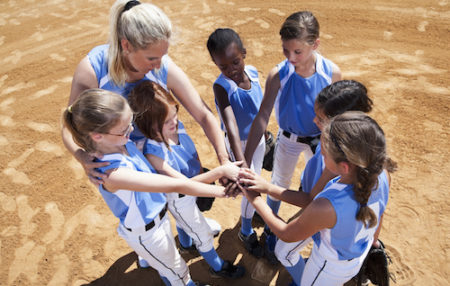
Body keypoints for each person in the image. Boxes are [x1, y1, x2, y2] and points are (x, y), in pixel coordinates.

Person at [63, 88, 240, 286]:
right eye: (124, 129)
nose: (131, 131)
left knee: (168, 264)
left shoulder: (125, 143)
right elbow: (176, 184)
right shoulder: (112, 174)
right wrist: (223, 188)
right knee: (177, 270)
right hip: (147, 234)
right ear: (97, 136)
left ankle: (158, 263)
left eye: (130, 124)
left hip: (160, 218)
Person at [61, 0, 229, 187]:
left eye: (162, 56)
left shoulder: (162, 65)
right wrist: (82, 157)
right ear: (126, 46)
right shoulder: (93, 71)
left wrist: (224, 160)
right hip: (133, 169)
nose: (158, 66)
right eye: (151, 58)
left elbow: (204, 115)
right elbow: (70, 126)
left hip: (167, 154)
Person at [238, 111, 396, 286]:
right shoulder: (381, 172)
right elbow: (380, 214)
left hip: (328, 268)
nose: (321, 155)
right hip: (353, 247)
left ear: (344, 167)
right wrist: (373, 242)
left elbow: (286, 233)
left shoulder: (326, 206)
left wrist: (255, 199)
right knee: (283, 251)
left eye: (325, 154)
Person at [243, 10, 342, 262]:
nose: (290, 57)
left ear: (315, 44)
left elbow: (335, 116)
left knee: (317, 188)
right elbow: (263, 114)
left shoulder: (332, 73)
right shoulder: (279, 73)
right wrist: (245, 159)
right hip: (288, 139)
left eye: (297, 51)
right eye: (286, 50)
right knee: (279, 181)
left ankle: (310, 224)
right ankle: (270, 227)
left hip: (320, 143)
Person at [128, 80, 245, 279]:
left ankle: (185, 244)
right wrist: (220, 174)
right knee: (202, 234)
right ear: (149, 126)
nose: (174, 122)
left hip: (195, 183)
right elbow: (184, 186)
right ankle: (218, 267)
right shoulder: (154, 154)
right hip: (181, 197)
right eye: (166, 121)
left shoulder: (175, 126)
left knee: (186, 225)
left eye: (174, 114)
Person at [272, 80, 374, 284]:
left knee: (283, 251)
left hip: (321, 215)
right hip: (319, 207)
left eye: (321, 118)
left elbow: (312, 201)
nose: (314, 121)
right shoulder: (353, 148)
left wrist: (261, 193)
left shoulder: (336, 163)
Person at [206, 28, 267, 258]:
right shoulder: (222, 86)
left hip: (257, 139)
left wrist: (265, 133)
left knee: (256, 181)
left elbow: (259, 109)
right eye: (223, 66)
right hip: (239, 145)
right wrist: (241, 161)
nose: (231, 69)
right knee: (251, 185)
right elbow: (230, 125)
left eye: (235, 62)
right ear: (215, 64)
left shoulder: (253, 72)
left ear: (244, 53)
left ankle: (250, 214)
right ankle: (245, 229)